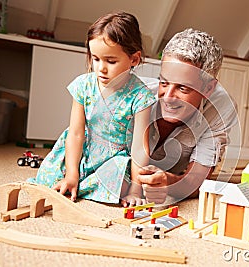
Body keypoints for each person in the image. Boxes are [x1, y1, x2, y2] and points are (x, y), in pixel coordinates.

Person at [28, 11, 156, 206]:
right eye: (95, 59)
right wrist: (72, 174)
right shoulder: (83, 85)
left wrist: (136, 190)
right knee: (48, 178)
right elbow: (76, 133)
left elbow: (140, 146)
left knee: (120, 182)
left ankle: (90, 185)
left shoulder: (141, 96)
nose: (101, 68)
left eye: (111, 61)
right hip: (81, 149)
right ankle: (76, 182)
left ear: (134, 59)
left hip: (114, 157)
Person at [137, 28, 239, 204]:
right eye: (164, 82)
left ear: (208, 89)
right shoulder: (137, 94)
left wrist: (168, 183)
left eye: (183, 88)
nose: (168, 97)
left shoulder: (221, 108)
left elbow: (196, 181)